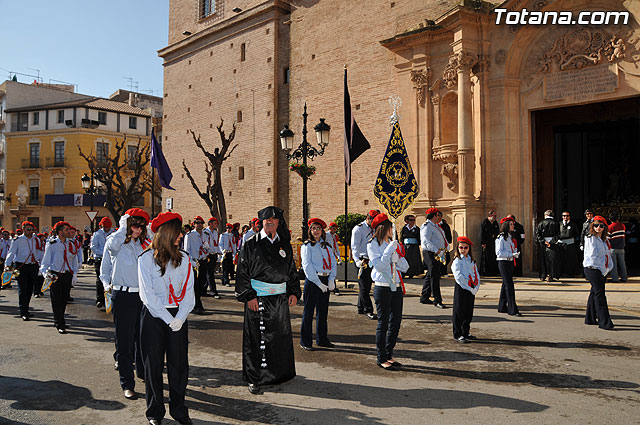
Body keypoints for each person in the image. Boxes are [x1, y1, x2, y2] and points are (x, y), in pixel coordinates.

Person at [235, 206, 301, 395]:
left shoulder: (285, 245)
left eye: (274, 219)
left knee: (279, 338)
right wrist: (249, 296)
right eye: (267, 219)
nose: (270, 222)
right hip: (258, 300)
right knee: (257, 340)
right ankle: (254, 378)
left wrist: (294, 292)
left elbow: (291, 271)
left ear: (279, 222)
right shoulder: (250, 244)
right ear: (261, 221)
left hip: (279, 300)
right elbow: (242, 272)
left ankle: (279, 375)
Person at [138, 212, 195, 425]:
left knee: (179, 365)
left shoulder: (185, 258)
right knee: (152, 365)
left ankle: (179, 410)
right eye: (177, 231)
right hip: (154, 317)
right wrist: (168, 319)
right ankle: (154, 411)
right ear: (165, 233)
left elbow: (189, 293)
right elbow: (147, 296)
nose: (181, 235)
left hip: (178, 315)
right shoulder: (145, 259)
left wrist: (179, 318)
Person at [104, 208, 151, 400]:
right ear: (127, 223)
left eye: (141, 226)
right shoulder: (117, 243)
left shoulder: (144, 244)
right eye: (135, 225)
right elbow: (111, 248)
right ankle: (127, 383)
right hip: (123, 295)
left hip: (143, 296)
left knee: (144, 340)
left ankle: (143, 373)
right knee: (124, 343)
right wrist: (123, 227)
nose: (138, 230)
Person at [367, 213, 408, 370]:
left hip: (396, 285)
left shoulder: (393, 242)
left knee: (395, 322)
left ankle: (389, 353)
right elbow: (378, 266)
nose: (393, 229)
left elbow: (405, 267)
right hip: (382, 286)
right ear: (384, 228)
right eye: (391, 227)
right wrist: (389, 253)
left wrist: (398, 257)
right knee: (383, 322)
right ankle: (381, 356)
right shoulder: (372, 245)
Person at [299, 218, 337, 351]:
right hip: (313, 281)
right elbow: (307, 266)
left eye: (318, 228)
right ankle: (306, 341)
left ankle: (322, 339)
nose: (316, 231)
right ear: (310, 230)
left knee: (323, 311)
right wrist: (318, 283)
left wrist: (331, 279)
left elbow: (333, 263)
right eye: (313, 228)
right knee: (308, 311)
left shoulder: (326, 246)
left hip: (325, 280)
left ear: (322, 231)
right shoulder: (307, 246)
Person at [39, 221, 79, 333]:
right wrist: (45, 274)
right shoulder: (52, 244)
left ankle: (60, 319)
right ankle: (60, 323)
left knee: (64, 299)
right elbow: (45, 262)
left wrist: (75, 273)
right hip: (55, 274)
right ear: (60, 232)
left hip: (67, 274)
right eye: (66, 229)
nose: (69, 231)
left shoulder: (70, 243)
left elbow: (73, 260)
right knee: (56, 300)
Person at [583, 215, 614, 330]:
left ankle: (590, 319)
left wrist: (609, 267)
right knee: (600, 294)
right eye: (596, 225)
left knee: (594, 293)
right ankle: (605, 322)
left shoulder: (605, 240)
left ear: (604, 227)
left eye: (601, 226)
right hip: (592, 268)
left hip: (602, 269)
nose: (598, 228)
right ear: (592, 226)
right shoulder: (590, 238)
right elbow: (593, 257)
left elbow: (608, 255)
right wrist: (603, 269)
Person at [5, 221, 40, 321]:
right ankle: (23, 311)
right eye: (28, 229)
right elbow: (11, 253)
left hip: (32, 266)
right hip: (21, 266)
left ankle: (26, 309)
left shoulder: (35, 239)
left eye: (32, 229)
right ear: (23, 229)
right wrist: (7, 265)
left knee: (30, 289)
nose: (30, 231)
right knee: (23, 289)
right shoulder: (17, 240)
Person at [351, 210, 380, 320]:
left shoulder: (376, 228)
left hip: (373, 260)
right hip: (363, 260)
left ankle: (360, 307)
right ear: (368, 218)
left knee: (366, 286)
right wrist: (357, 260)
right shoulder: (359, 228)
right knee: (364, 287)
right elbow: (354, 246)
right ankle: (368, 309)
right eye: (374, 220)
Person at [451, 236, 480, 343]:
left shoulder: (471, 261)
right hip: (462, 287)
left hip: (471, 287)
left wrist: (476, 287)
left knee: (468, 311)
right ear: (457, 248)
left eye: (465, 247)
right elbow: (459, 277)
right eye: (461, 247)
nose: (463, 250)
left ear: (469, 249)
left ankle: (466, 332)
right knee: (459, 311)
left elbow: (476, 274)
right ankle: (457, 333)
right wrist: (468, 287)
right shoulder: (457, 261)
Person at [420, 208, 448, 308]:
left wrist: (446, 246)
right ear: (434, 216)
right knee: (434, 276)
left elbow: (442, 238)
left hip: (437, 252)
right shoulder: (427, 226)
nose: (439, 217)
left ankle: (425, 296)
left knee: (430, 274)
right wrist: (437, 250)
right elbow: (426, 242)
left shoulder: (436, 226)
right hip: (431, 253)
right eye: (437, 215)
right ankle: (437, 299)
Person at [496, 217, 521, 316]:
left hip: (510, 262)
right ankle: (512, 309)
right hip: (503, 263)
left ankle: (502, 306)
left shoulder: (510, 237)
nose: (513, 226)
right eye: (511, 224)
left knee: (505, 284)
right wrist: (511, 254)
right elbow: (498, 252)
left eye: (513, 224)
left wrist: (514, 253)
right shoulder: (501, 237)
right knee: (509, 286)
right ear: (506, 225)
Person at [184, 216, 209, 315]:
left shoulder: (205, 234)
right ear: (193, 224)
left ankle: (196, 303)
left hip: (202, 261)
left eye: (201, 223)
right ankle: (197, 305)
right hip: (194, 262)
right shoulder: (189, 235)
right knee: (195, 285)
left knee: (202, 283)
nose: (199, 225)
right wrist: (191, 262)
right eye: (197, 223)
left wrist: (206, 249)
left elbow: (207, 248)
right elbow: (187, 251)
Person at [91, 217, 115, 310]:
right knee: (100, 280)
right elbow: (94, 247)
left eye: (108, 227)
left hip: (111, 260)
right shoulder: (97, 234)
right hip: (100, 259)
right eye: (105, 227)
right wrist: (105, 251)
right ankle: (100, 299)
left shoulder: (114, 233)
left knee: (111, 279)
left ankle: (110, 300)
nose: (106, 229)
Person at [536, 210, 560, 282]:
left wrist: (544, 241)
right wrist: (551, 242)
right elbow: (558, 234)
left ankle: (543, 276)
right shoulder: (556, 223)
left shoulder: (541, 223)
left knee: (543, 260)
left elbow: (538, 234)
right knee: (552, 260)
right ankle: (551, 276)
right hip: (553, 244)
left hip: (544, 244)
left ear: (545, 215)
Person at [203, 217, 222, 298]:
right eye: (215, 223)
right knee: (210, 274)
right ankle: (214, 291)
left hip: (214, 254)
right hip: (208, 254)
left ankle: (203, 290)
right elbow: (205, 244)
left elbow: (216, 243)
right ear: (210, 223)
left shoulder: (215, 232)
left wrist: (218, 251)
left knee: (209, 273)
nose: (216, 225)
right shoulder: (205, 232)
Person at [558, 211, 580, 277]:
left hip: (570, 243)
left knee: (571, 259)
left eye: (567, 216)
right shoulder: (559, 224)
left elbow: (577, 234)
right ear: (562, 217)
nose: (566, 217)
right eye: (564, 216)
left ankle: (571, 273)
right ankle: (561, 272)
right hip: (561, 244)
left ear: (569, 217)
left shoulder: (573, 224)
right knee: (561, 259)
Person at [608, 211, 627, 283]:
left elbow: (608, 238)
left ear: (610, 219)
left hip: (613, 248)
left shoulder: (610, 227)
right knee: (622, 263)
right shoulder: (623, 226)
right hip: (621, 247)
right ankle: (624, 278)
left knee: (614, 264)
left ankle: (615, 278)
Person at [479, 209, 499, 276]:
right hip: (487, 243)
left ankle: (493, 272)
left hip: (494, 243)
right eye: (494, 215)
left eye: (495, 216)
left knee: (493, 258)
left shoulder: (495, 223)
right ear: (490, 215)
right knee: (487, 258)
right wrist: (483, 242)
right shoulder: (485, 223)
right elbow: (482, 233)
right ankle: (486, 272)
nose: (495, 217)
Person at [325, 222, 342, 296]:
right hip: (327, 256)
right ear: (330, 228)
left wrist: (339, 256)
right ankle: (332, 287)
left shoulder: (335, 236)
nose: (334, 230)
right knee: (328, 272)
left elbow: (336, 247)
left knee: (333, 272)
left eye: (335, 229)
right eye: (333, 228)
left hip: (333, 256)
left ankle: (333, 287)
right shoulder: (326, 235)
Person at [33, 232, 46, 298]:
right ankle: (36, 292)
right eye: (42, 237)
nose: (43, 238)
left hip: (43, 264)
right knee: (36, 279)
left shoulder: (44, 244)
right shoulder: (35, 245)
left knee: (42, 279)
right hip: (37, 263)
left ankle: (40, 290)